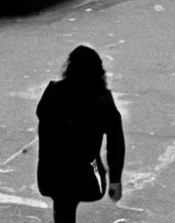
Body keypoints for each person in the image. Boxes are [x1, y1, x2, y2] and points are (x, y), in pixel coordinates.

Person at [36, 45, 125, 223]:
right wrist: (115, 179)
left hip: (50, 175)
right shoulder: (102, 99)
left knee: (62, 204)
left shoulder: (53, 92)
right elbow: (115, 141)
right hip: (88, 179)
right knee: (84, 173)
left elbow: (42, 117)